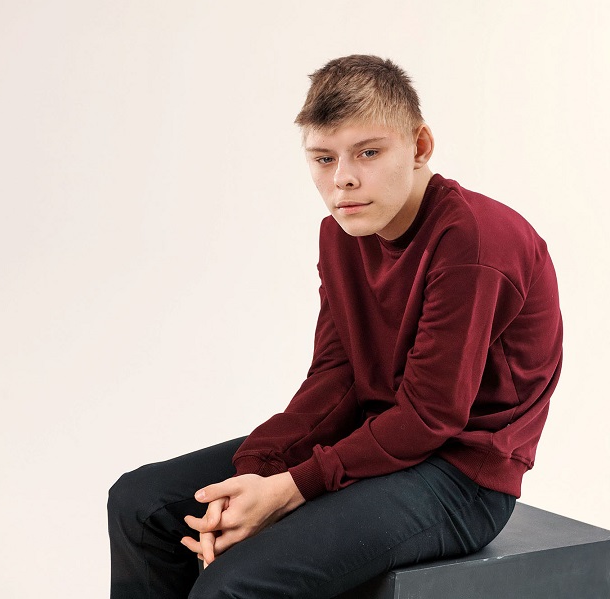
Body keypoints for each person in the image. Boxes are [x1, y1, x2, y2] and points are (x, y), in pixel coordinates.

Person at [108, 54, 563, 599]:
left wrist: (291, 488)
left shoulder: (475, 240)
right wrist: (255, 473)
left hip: (462, 474)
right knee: (140, 504)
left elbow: (430, 415)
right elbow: (336, 376)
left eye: (368, 153)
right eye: (324, 158)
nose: (343, 178)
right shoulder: (342, 234)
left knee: (233, 586)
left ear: (420, 147)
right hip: (375, 435)